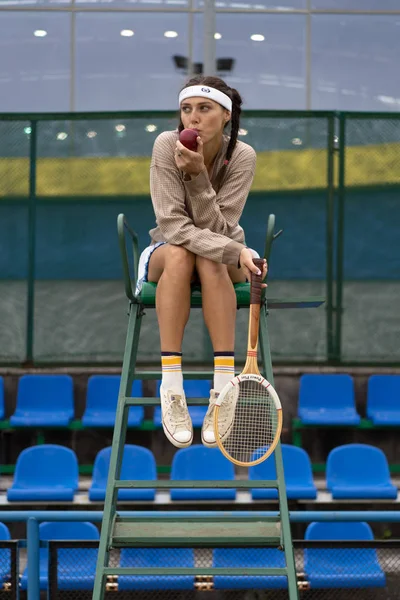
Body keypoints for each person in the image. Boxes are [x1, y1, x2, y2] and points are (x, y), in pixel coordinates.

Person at [136, 75, 267, 449]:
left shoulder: (242, 155)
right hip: (172, 250)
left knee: (209, 260)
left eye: (204, 109)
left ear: (226, 115)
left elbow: (220, 228)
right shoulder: (165, 144)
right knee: (181, 253)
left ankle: (224, 389)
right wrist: (235, 251)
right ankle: (172, 388)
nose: (192, 118)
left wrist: (196, 175)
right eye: (186, 109)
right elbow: (173, 225)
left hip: (222, 255)